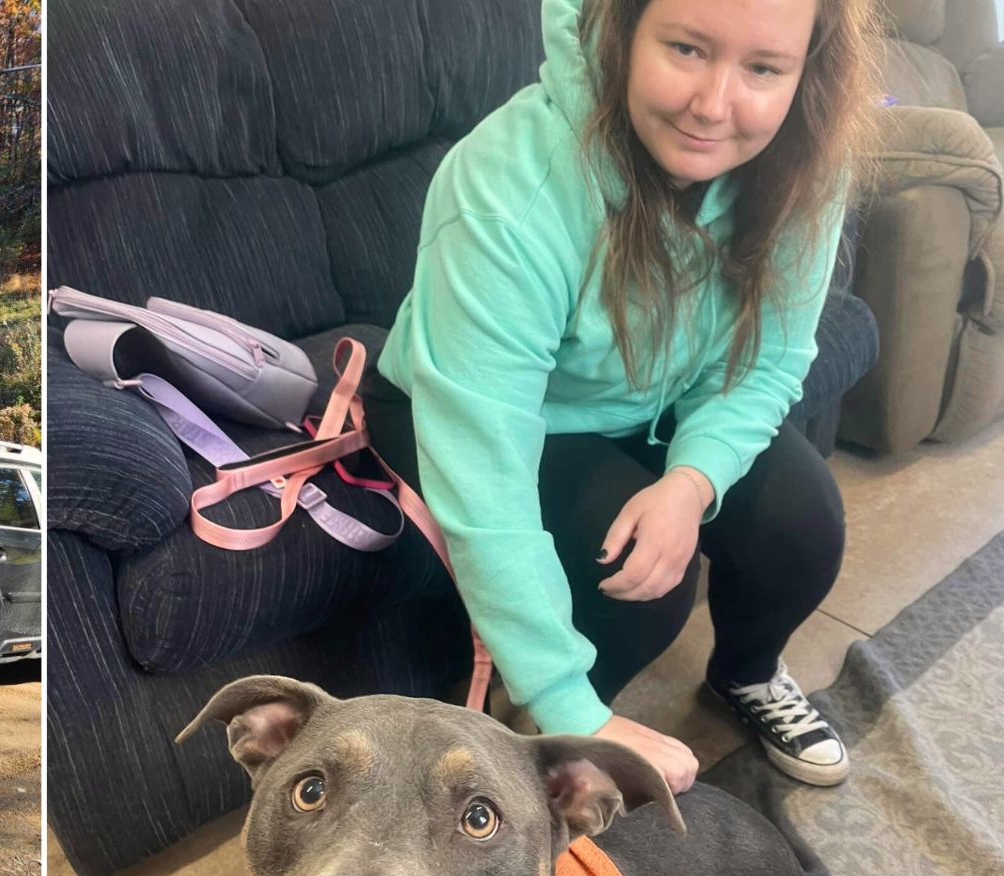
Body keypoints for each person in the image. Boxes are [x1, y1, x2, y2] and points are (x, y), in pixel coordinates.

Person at [369, 0, 878, 792]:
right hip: (479, 415)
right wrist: (571, 703)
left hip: (647, 398)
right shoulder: (509, 185)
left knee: (803, 521)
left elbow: (769, 362)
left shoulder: (808, 166)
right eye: (685, 48)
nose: (714, 105)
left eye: (763, 69)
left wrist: (691, 480)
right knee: (638, 584)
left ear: (807, 72)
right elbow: (485, 469)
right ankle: (540, 740)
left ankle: (744, 674)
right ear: (622, 29)